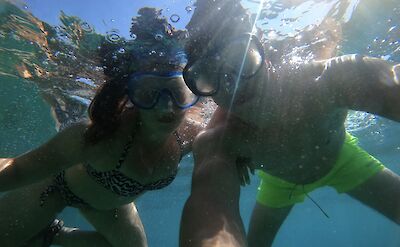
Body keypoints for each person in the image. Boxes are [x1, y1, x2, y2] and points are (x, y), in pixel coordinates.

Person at [179, 0, 400, 246]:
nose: (233, 86)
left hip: (344, 160)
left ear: (262, 47)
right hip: (279, 185)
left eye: (240, 59)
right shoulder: (220, 140)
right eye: (209, 76)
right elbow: (211, 209)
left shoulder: (330, 80)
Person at [0, 7, 206, 247]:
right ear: (132, 97)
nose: (165, 108)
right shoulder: (100, 136)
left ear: (192, 93)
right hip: (56, 190)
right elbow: (17, 170)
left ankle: (51, 235)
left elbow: (226, 140)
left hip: (112, 208)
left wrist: (238, 156)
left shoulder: (192, 133)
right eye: (149, 94)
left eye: (177, 93)